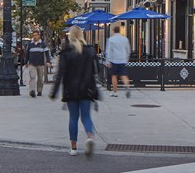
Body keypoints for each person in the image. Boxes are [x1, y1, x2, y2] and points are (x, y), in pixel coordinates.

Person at [50, 25, 99, 158]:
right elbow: (97, 70)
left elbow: (60, 73)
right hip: (86, 88)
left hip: (71, 89)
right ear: (81, 35)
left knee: (73, 117)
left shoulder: (66, 52)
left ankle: (73, 147)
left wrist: (54, 91)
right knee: (86, 116)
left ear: (70, 36)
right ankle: (90, 137)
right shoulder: (90, 51)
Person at [104, 25, 132, 98]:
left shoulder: (111, 39)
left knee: (114, 76)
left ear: (113, 31)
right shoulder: (125, 39)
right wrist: (127, 58)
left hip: (114, 60)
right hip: (122, 59)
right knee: (123, 75)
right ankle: (127, 86)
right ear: (119, 31)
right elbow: (128, 50)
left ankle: (115, 92)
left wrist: (107, 61)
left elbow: (108, 51)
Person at [26, 30, 51, 98]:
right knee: (32, 77)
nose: (35, 36)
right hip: (32, 63)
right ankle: (32, 91)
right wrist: (26, 62)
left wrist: (48, 61)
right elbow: (27, 54)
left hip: (40, 64)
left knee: (40, 78)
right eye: (34, 35)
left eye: (36, 35)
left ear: (39, 36)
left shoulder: (42, 44)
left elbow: (47, 53)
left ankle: (39, 91)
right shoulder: (30, 44)